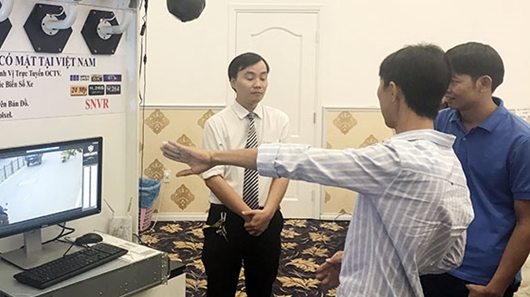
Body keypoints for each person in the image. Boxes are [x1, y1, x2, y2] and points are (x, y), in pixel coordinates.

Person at [161, 44, 475, 297]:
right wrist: (361, 257)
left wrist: (213, 156)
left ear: (393, 90)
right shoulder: (450, 162)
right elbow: (449, 255)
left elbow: (299, 160)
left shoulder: (391, 160)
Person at [421, 42, 530, 297]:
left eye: (453, 81)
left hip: (482, 277)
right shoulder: (438, 123)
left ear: (484, 83)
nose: (445, 88)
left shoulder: (520, 141)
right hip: (432, 262)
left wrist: (496, 287)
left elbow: (526, 222)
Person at [200, 52, 290, 297]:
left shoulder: (279, 120)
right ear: (233, 82)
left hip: (267, 215)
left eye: (263, 77)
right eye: (249, 77)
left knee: (262, 286)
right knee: (220, 286)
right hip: (226, 217)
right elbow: (213, 176)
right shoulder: (217, 123)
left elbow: (283, 171)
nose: (258, 84)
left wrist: (267, 212)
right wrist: (246, 214)